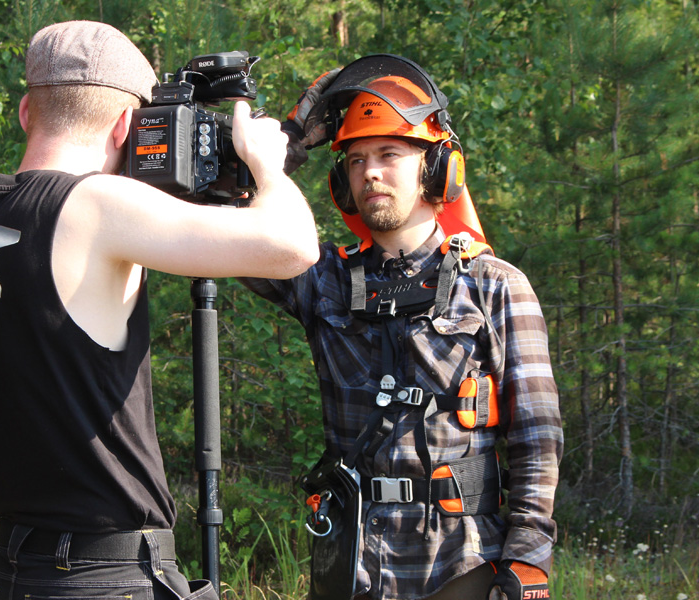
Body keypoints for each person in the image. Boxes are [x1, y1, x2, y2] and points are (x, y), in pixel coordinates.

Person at [0, 20, 319, 600]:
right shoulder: (98, 207)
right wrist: (265, 164)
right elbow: (294, 247)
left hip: (13, 570)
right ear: (125, 127)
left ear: (25, 112)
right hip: (106, 576)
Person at [241, 55, 562, 600]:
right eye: (357, 159)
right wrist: (286, 147)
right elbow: (218, 221)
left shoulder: (494, 285)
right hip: (350, 560)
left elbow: (537, 433)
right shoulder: (323, 281)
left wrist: (528, 558)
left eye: (390, 154)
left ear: (434, 168)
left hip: (461, 562)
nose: (370, 172)